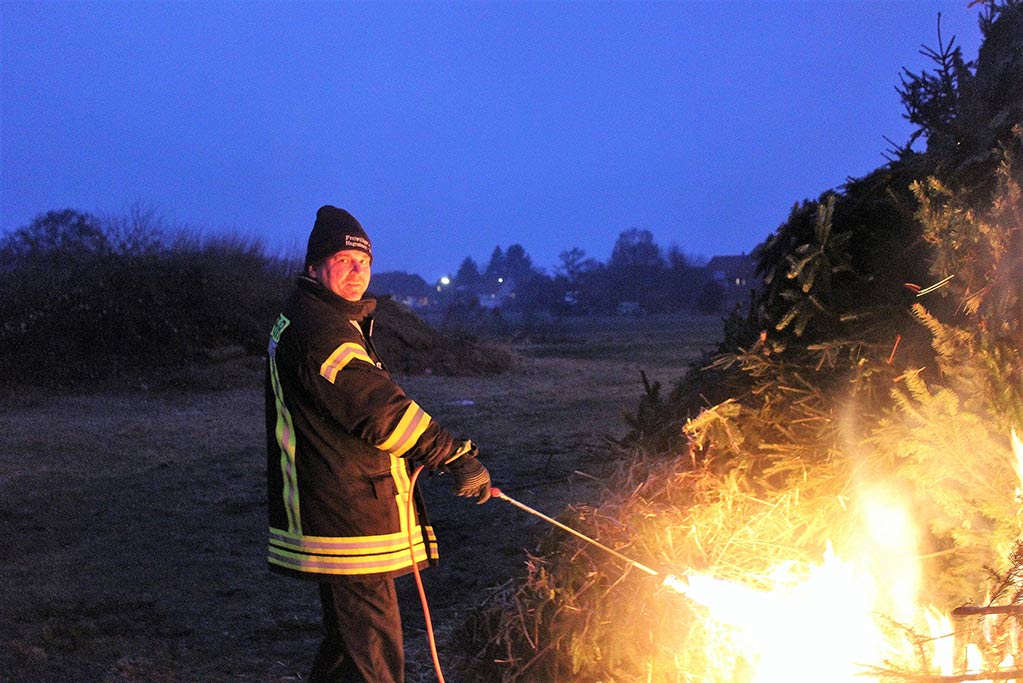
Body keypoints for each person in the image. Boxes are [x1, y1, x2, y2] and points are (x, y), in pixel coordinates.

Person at [265, 205, 492, 682]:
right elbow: (378, 411)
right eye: (344, 261)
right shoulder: (320, 331)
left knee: (348, 648)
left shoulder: (321, 317)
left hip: (344, 503)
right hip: (346, 512)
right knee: (373, 651)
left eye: (364, 262)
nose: (357, 272)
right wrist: (453, 455)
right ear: (314, 267)